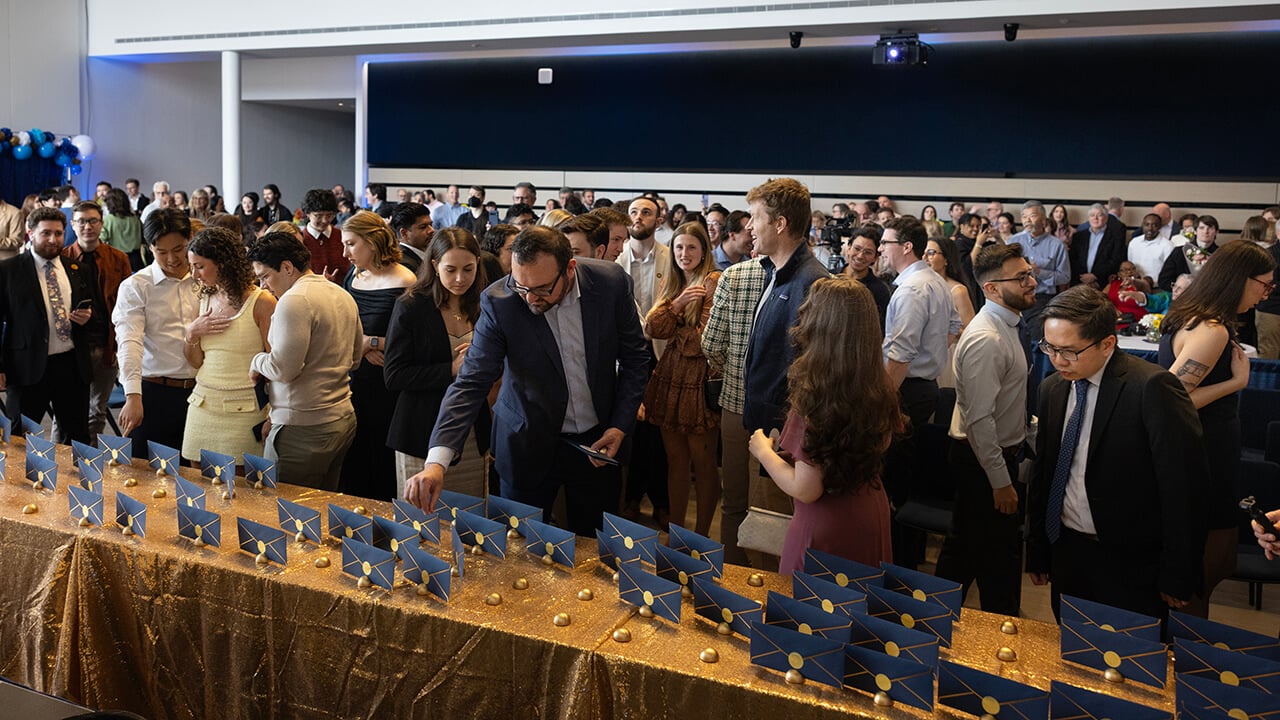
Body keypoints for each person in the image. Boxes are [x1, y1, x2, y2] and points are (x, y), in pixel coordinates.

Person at [405, 226, 650, 536]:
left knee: (595, 549)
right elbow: (470, 383)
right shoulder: (500, 301)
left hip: (597, 442)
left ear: (569, 268)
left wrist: (619, 425)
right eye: (522, 287)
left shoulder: (610, 283)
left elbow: (635, 359)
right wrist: (436, 462)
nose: (531, 299)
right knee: (520, 550)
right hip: (526, 442)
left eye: (543, 289)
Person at [1026, 286, 1208, 619]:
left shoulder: (1151, 388)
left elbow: (1183, 487)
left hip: (1132, 562)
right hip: (1068, 552)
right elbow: (1045, 473)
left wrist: (1178, 572)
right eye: (1049, 348)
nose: (1057, 360)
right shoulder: (1052, 388)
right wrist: (1038, 549)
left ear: (1107, 343)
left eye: (1069, 351)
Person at [749, 276, 900, 575]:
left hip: (825, 525)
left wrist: (762, 450)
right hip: (870, 511)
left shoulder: (816, 393)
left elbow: (806, 489)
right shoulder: (880, 384)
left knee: (809, 614)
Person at [1157, 241, 1275, 617]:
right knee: (1201, 566)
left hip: (1206, 452)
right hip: (1201, 456)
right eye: (1265, 284)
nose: (1267, 294)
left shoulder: (1196, 315)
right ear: (1240, 279)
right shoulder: (1212, 329)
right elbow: (1172, 398)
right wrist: (1235, 383)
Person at [934, 244, 1038, 615]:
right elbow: (979, 420)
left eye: (1029, 272)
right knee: (994, 562)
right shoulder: (987, 338)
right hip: (983, 460)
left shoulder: (1008, 324)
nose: (1032, 282)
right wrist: (1000, 481)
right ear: (992, 289)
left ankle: (938, 626)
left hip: (990, 456)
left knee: (970, 554)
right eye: (1021, 277)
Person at [248, 232, 363, 491]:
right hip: (342, 418)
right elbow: (355, 358)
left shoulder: (293, 300)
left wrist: (256, 361)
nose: (263, 285)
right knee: (322, 507)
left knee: (286, 513)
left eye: (265, 275)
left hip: (303, 427)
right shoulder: (339, 291)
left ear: (287, 267)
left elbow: (284, 369)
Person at [384, 228, 487, 497]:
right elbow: (394, 375)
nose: (459, 278)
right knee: (420, 522)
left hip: (472, 431)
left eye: (468, 269)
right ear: (434, 266)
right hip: (420, 430)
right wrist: (451, 369)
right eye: (450, 269)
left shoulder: (484, 304)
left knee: (469, 520)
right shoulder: (412, 306)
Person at [643, 222, 722, 536]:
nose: (684, 253)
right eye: (678, 247)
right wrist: (677, 307)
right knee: (675, 461)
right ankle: (678, 533)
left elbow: (704, 341)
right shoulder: (675, 282)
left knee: (703, 465)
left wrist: (674, 325)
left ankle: (701, 535)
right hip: (670, 379)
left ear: (704, 250)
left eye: (691, 247)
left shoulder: (713, 281)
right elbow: (653, 328)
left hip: (701, 383)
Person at [180, 227, 276, 463]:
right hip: (202, 403)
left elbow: (276, 364)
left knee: (242, 488)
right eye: (191, 266)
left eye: (199, 266)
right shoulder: (202, 298)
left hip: (245, 409)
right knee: (197, 481)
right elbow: (195, 362)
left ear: (222, 263)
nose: (193, 274)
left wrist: (274, 414)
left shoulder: (262, 301)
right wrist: (191, 333)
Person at [338, 211, 416, 500]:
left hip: (386, 382)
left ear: (372, 242)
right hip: (355, 376)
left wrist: (370, 343)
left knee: (380, 455)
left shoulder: (405, 279)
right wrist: (364, 347)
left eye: (351, 244)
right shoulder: (354, 274)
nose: (345, 252)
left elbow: (413, 340)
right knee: (355, 453)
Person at [0, 208, 94, 442]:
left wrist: (87, 318)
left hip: (71, 366)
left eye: (59, 233)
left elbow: (96, 312)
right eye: (46, 233)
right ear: (30, 233)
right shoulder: (8, 271)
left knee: (76, 439)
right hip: (26, 367)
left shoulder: (78, 269)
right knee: (18, 438)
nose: (53, 240)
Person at [113, 209, 199, 457]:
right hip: (153, 392)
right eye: (162, 252)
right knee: (148, 478)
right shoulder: (137, 286)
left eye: (179, 249)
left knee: (198, 477)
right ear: (149, 248)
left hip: (202, 393)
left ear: (190, 239)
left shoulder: (205, 279)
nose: (172, 258)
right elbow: (130, 341)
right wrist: (132, 395)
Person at [702, 252, 767, 566]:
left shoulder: (734, 275)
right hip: (780, 414)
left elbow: (711, 343)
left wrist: (732, 371)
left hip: (735, 403)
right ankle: (763, 583)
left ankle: (729, 574)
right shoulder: (812, 277)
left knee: (733, 502)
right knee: (770, 507)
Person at [61, 201, 132, 439]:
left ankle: (88, 463)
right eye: (81, 221)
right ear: (73, 224)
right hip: (72, 345)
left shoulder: (118, 259)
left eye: (92, 220)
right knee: (66, 410)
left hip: (106, 343)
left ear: (101, 223)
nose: (87, 226)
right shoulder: (62, 258)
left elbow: (125, 306)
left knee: (96, 411)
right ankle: (59, 462)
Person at [842, 225, 891, 331]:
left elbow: (880, 329)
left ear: (875, 257)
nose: (860, 256)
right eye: (857, 249)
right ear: (849, 248)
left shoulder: (880, 290)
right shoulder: (828, 277)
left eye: (868, 252)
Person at [1070, 203, 1127, 289]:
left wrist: (1095, 276)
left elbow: (1115, 260)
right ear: (1088, 218)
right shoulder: (1079, 236)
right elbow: (1073, 259)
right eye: (1092, 215)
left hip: (1103, 283)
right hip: (1080, 283)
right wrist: (1082, 278)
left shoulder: (1115, 236)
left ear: (1106, 218)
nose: (1095, 218)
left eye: (1099, 215)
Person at [300, 189, 350, 282]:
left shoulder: (342, 236)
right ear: (307, 213)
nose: (325, 220)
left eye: (329, 215)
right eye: (318, 216)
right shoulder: (300, 239)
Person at [1159, 215, 1218, 291]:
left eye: (1210, 228)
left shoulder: (1221, 254)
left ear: (1216, 232)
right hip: (1182, 298)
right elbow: (1164, 280)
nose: (1205, 231)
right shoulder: (1179, 252)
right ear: (1195, 231)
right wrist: (1180, 289)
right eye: (1201, 228)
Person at [101, 188, 145, 271]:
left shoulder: (108, 220)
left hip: (116, 259)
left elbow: (101, 240)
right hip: (136, 259)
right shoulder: (135, 219)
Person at [1128, 213, 1174, 286]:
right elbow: (1130, 264)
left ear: (1160, 227)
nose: (1150, 228)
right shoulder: (1134, 242)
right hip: (1135, 286)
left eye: (1154, 225)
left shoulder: (1167, 246)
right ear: (1142, 225)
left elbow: (1169, 272)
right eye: (1147, 224)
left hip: (1157, 288)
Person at [391, 201, 434, 275]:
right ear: (404, 233)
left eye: (431, 224)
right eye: (423, 227)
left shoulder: (430, 254)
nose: (431, 230)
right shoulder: (404, 265)